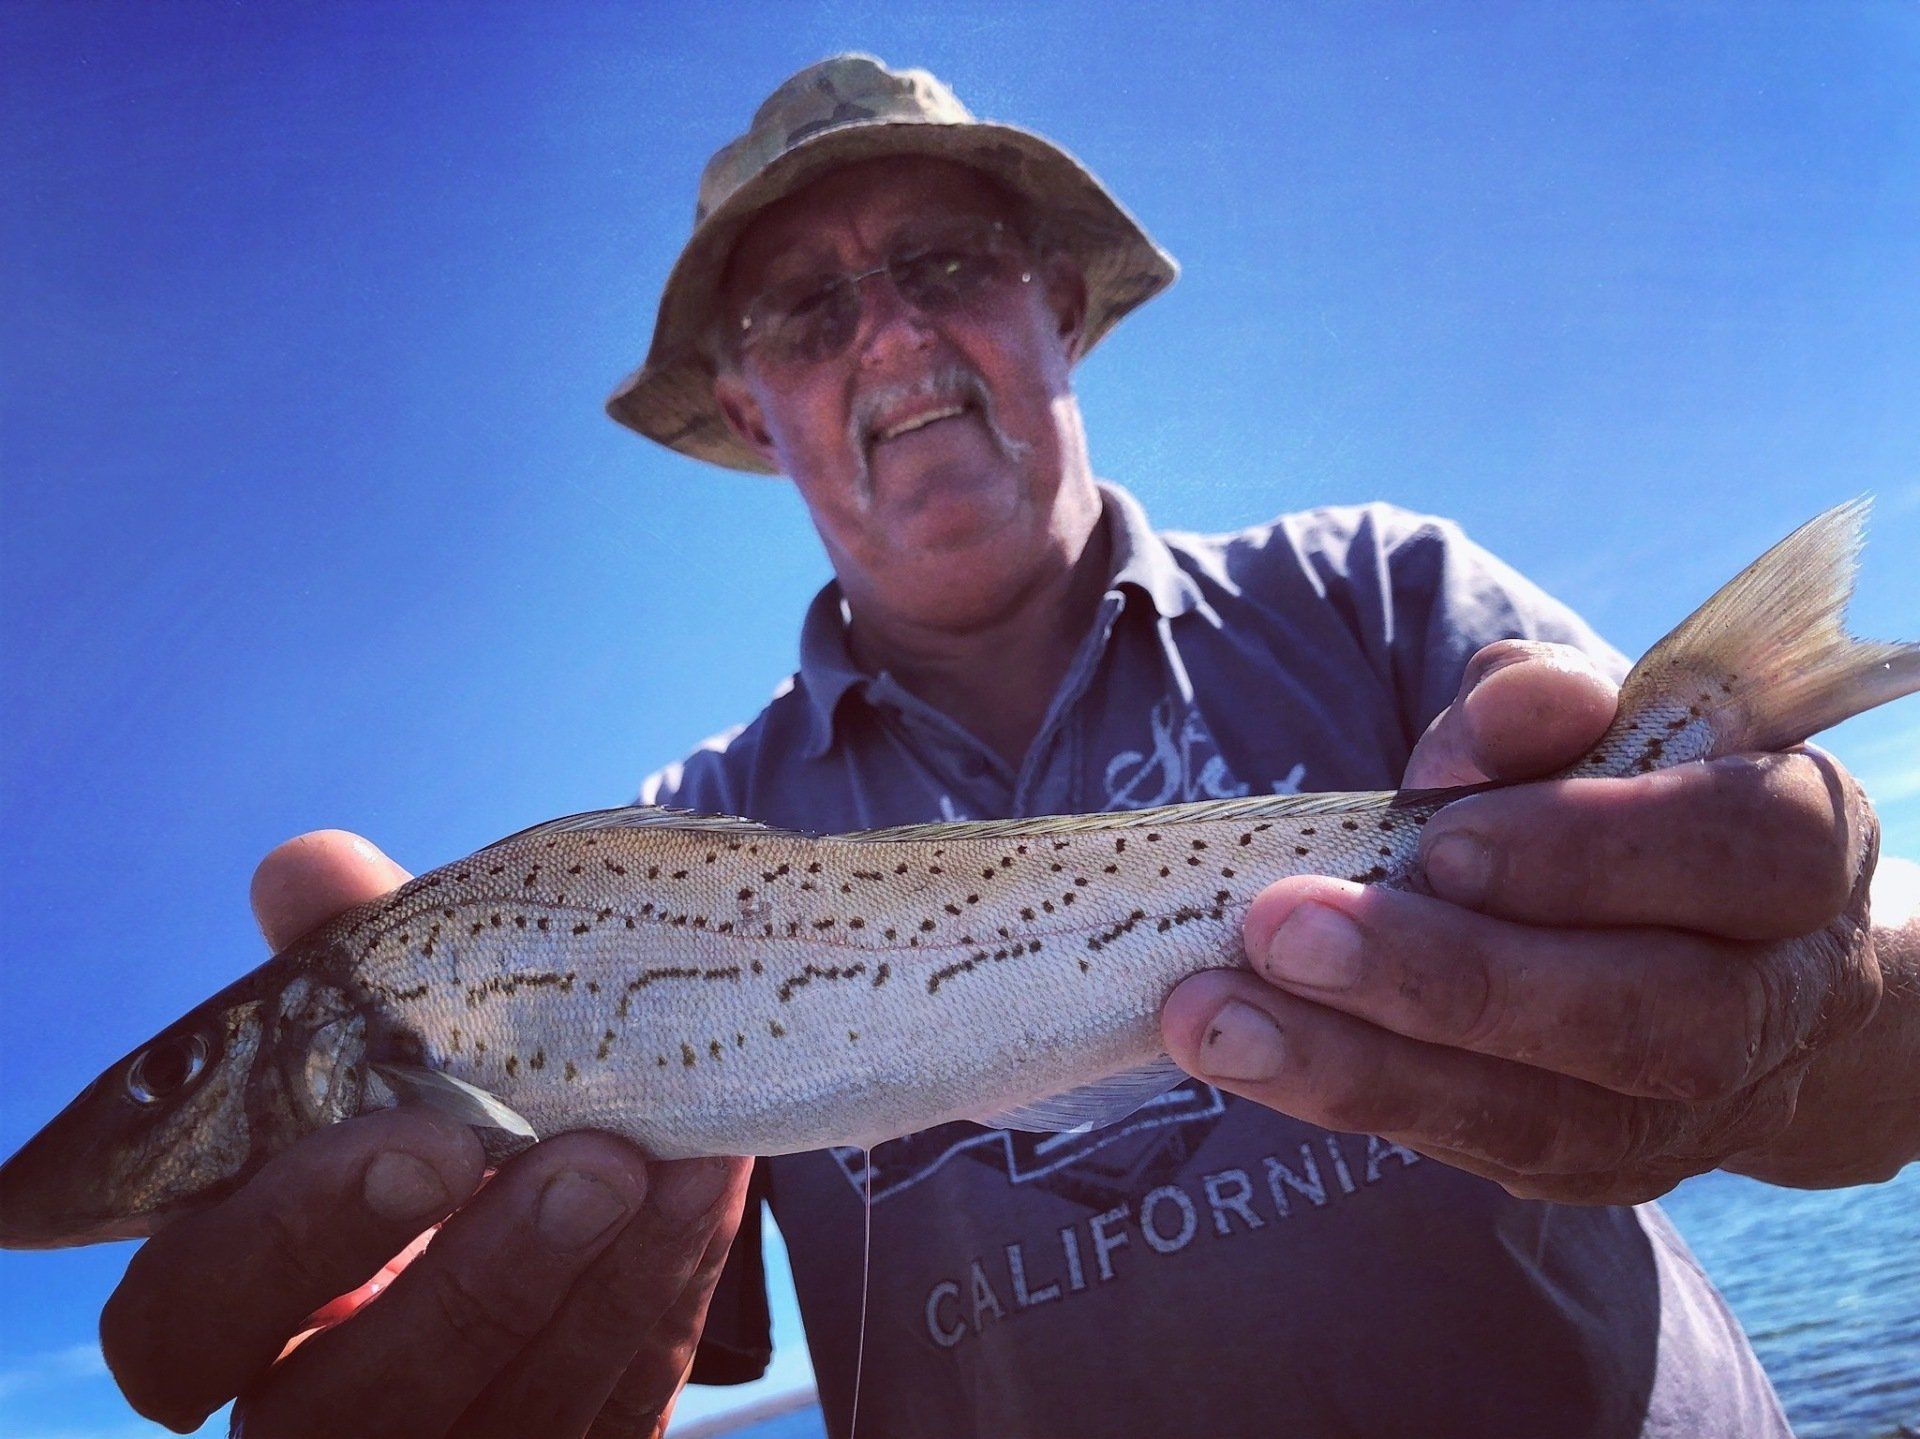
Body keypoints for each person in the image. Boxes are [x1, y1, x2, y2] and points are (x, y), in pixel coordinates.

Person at [98, 55, 1918, 1439]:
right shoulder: (672, 839)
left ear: (1058, 299)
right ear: (749, 404)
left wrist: (1826, 1000)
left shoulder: (1382, 594)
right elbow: (678, 1333)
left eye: (946, 262)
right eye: (808, 312)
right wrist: (480, 1308)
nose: (891, 335)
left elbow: (1874, 987)